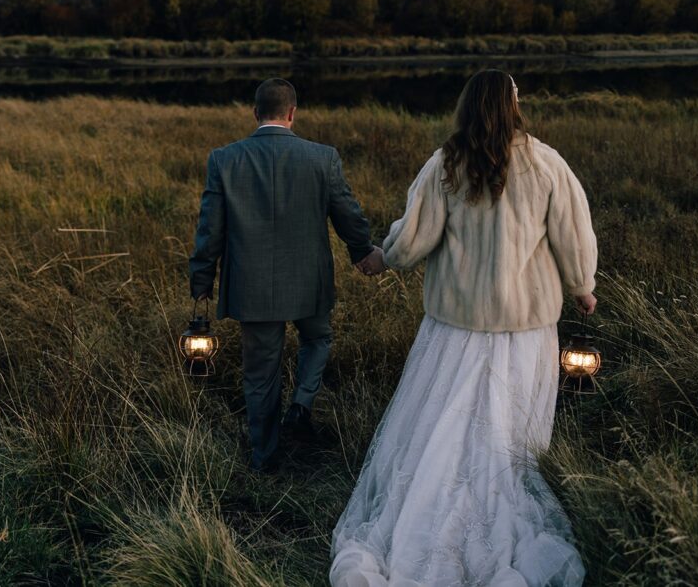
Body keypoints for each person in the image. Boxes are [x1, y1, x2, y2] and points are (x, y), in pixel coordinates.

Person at [331, 69, 596, 586]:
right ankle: (498, 492)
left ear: (469, 105)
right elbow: (573, 233)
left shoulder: (446, 163)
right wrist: (582, 285)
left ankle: (431, 500)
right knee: (509, 422)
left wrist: (385, 257)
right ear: (514, 106)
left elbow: (413, 237)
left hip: (456, 325)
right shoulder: (547, 163)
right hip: (525, 327)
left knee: (445, 416)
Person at [188, 77, 384, 474]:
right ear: (293, 113)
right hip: (308, 281)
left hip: (252, 286)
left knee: (260, 374)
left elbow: (210, 230)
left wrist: (201, 281)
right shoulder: (322, 157)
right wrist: (362, 251)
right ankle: (301, 406)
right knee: (318, 337)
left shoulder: (224, 159)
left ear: (255, 113)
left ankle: (265, 458)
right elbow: (347, 212)